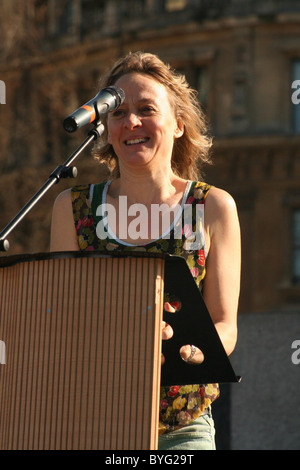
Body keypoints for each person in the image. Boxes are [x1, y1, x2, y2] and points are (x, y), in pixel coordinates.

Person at [50, 51, 241, 450]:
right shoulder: (71, 208)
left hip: (181, 428)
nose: (131, 121)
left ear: (178, 125)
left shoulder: (213, 207)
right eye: (118, 112)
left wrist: (185, 346)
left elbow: (225, 325)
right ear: (104, 127)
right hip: (91, 421)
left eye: (146, 109)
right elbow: (59, 319)